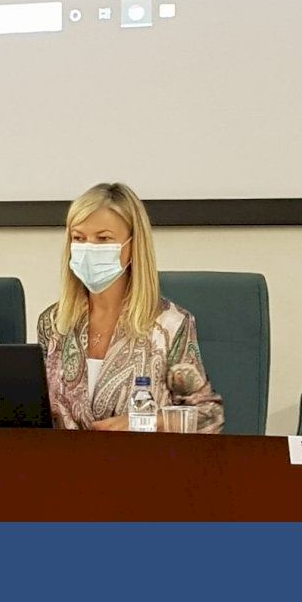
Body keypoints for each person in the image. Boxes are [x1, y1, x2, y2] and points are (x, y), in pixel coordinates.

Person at [37, 183, 225, 432]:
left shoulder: (170, 325)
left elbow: (208, 416)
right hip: (63, 456)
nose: (89, 248)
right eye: (79, 238)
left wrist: (142, 422)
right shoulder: (53, 322)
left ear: (133, 245)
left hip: (140, 455)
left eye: (103, 239)